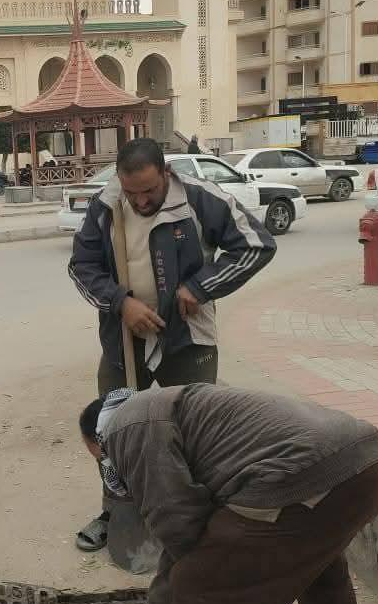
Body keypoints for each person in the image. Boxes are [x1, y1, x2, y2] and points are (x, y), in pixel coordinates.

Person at [78, 384, 378, 604]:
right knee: (313, 553)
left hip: (309, 476)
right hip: (370, 463)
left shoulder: (126, 430)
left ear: (100, 436)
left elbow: (182, 532)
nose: (106, 467)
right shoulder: (166, 405)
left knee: (199, 586)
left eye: (99, 458)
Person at [68, 138, 275, 553]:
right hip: (123, 338)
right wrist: (120, 303)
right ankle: (117, 512)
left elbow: (256, 245)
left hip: (187, 336)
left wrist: (201, 286)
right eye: (132, 193)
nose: (141, 202)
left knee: (195, 430)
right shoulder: (106, 206)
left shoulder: (199, 199)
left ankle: (197, 519)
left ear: (166, 174)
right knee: (113, 429)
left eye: (149, 191)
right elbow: (81, 267)